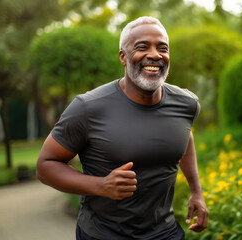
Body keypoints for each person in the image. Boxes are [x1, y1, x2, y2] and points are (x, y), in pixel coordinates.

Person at [36, 16, 208, 240]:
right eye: (142, 47)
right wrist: (101, 185)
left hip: (165, 233)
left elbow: (184, 136)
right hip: (103, 234)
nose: (155, 55)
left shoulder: (186, 104)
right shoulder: (88, 107)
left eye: (162, 48)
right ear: (123, 57)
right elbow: (45, 166)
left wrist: (196, 191)